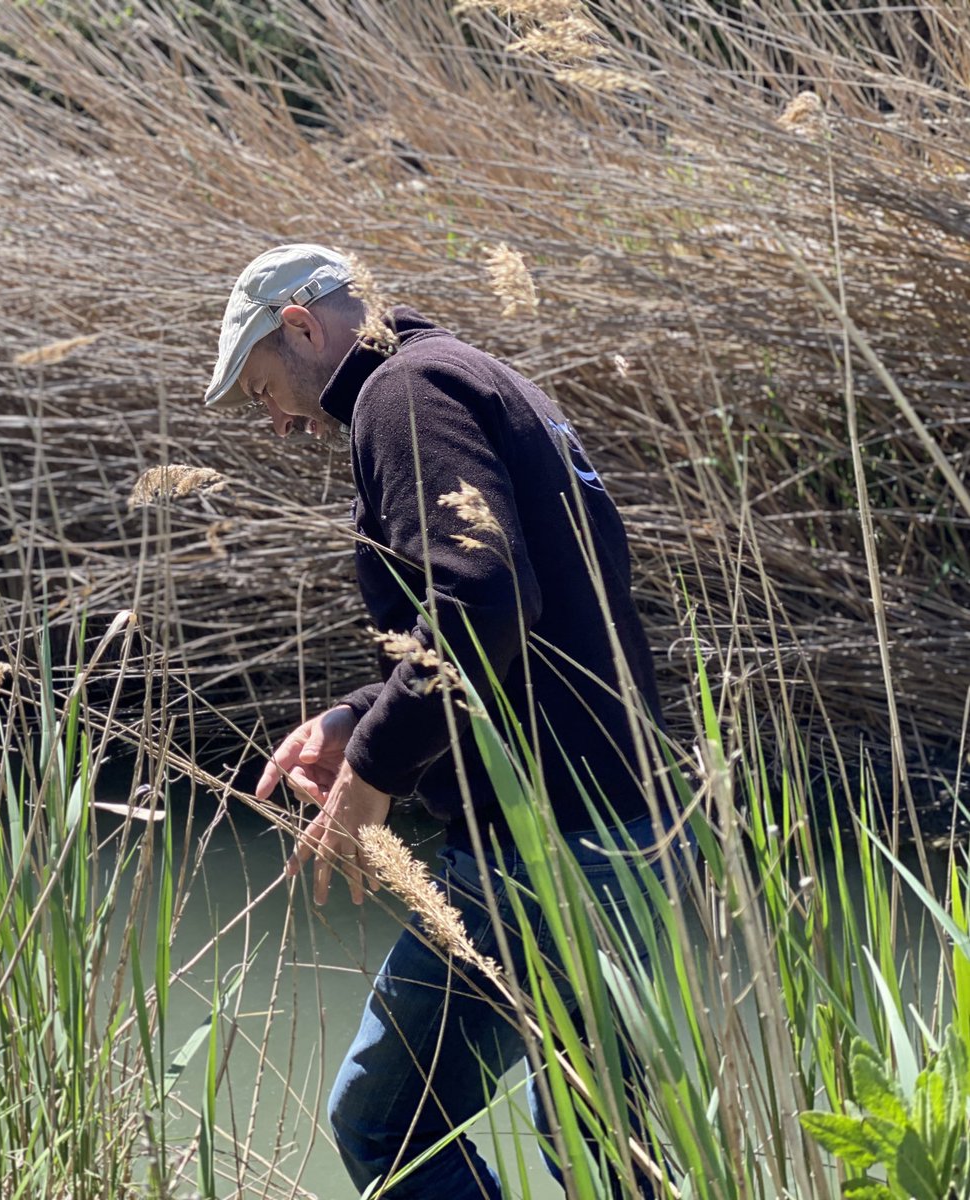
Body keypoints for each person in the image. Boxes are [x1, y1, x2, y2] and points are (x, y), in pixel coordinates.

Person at [204, 243, 690, 1199]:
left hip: (550, 842)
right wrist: (356, 715)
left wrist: (371, 776)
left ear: (301, 327)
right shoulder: (468, 376)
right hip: (608, 825)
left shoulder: (403, 394)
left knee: (392, 1124)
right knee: (607, 1147)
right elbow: (520, 612)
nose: (279, 423)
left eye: (264, 390)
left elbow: (484, 597)